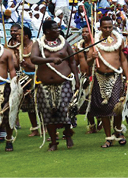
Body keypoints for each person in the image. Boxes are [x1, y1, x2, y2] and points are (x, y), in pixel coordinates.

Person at [31, 20, 79, 151]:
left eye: (58, 28)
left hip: (64, 82)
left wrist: (77, 78)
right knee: (48, 113)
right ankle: (53, 142)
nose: (58, 30)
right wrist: (51, 59)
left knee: (66, 110)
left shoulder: (65, 44)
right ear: (47, 31)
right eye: (55, 29)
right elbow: (33, 59)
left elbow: (72, 62)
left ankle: (68, 134)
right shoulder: (38, 44)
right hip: (44, 84)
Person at [89, 16, 128, 148]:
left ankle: (118, 132)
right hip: (100, 77)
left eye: (110, 27)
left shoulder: (119, 40)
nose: (107, 29)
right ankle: (108, 137)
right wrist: (92, 57)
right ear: (100, 28)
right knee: (103, 108)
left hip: (115, 76)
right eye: (105, 27)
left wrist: (127, 77)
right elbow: (88, 61)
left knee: (117, 106)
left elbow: (123, 59)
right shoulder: (94, 40)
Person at [72, 26, 102, 134]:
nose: (84, 34)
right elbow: (74, 63)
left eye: (87, 32)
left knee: (97, 102)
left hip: (97, 77)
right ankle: (91, 125)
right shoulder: (78, 47)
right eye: (83, 32)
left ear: (92, 33)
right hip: (84, 78)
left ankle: (99, 120)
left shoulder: (98, 46)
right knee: (85, 103)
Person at [19, 26, 39, 137]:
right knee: (29, 104)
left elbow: (39, 63)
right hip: (25, 77)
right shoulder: (19, 47)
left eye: (19, 34)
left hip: (36, 76)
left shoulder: (35, 46)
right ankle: (35, 128)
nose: (17, 36)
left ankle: (45, 127)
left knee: (39, 103)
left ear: (26, 36)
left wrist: (28, 65)